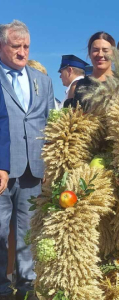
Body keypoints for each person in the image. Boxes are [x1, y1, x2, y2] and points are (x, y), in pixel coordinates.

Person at [0, 20, 54, 300]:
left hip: (34, 169)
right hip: (2, 171)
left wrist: (50, 164)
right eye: (15, 46)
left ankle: (26, 286)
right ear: (2, 46)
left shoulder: (42, 80)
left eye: (26, 46)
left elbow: (49, 124)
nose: (22, 52)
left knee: (28, 231)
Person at [64, 31, 119, 108]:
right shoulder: (76, 86)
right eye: (95, 50)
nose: (100, 54)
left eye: (105, 50)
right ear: (89, 53)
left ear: (113, 54)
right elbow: (67, 117)